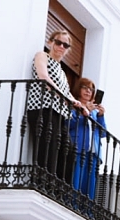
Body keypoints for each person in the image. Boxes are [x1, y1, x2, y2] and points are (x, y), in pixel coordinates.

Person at [28, 30, 80, 183]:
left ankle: (57, 189)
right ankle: (42, 184)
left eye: (65, 45)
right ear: (50, 42)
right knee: (47, 149)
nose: (61, 47)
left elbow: (67, 93)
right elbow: (43, 76)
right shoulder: (42, 56)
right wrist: (66, 98)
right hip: (42, 108)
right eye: (58, 42)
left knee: (68, 153)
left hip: (59, 114)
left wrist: (78, 104)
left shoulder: (62, 71)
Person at [69, 77, 106, 200]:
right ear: (78, 89)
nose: (88, 91)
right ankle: (73, 204)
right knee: (77, 179)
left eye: (91, 89)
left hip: (93, 152)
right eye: (85, 87)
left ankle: (87, 211)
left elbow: (102, 133)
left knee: (90, 184)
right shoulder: (74, 105)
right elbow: (69, 124)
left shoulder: (95, 112)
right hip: (79, 148)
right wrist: (85, 113)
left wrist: (100, 116)